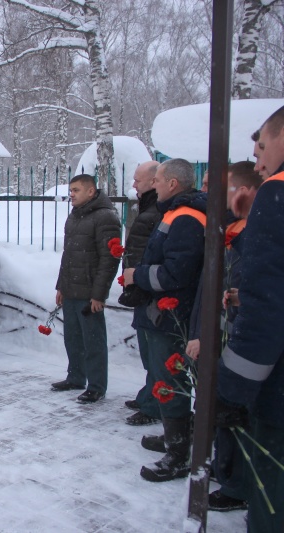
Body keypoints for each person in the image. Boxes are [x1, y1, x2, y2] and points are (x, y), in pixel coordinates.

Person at [216, 105, 284, 532]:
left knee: (271, 495)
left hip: (277, 389)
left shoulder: (276, 193)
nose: (258, 164)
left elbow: (267, 303)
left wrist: (233, 390)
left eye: (261, 148)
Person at [183, 161, 262, 513]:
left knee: (234, 412)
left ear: (241, 192)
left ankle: (237, 483)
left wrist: (210, 334)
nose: (206, 193)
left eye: (214, 186)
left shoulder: (251, 234)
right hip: (220, 334)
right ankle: (227, 467)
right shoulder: (227, 230)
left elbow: (246, 295)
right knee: (221, 408)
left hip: (236, 341)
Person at [123, 158, 207, 482]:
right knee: (165, 378)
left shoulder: (185, 217)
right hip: (162, 313)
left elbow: (176, 272)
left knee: (171, 381)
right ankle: (175, 438)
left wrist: (138, 275)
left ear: (173, 183)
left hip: (171, 316)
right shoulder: (174, 212)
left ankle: (178, 454)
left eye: (157, 180)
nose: (153, 185)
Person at [51, 174, 121, 403]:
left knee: (93, 341)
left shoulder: (105, 217)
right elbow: (68, 255)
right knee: (73, 338)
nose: (71, 194)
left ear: (91, 191)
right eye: (70, 190)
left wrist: (99, 294)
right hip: (71, 288)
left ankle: (97, 386)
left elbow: (109, 259)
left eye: (76, 190)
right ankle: (76, 377)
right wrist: (61, 286)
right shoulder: (75, 216)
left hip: (90, 292)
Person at [120, 161, 162, 426]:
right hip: (142, 286)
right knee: (149, 350)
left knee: (155, 353)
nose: (134, 184)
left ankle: (155, 404)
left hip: (149, 289)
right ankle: (149, 394)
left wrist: (137, 278)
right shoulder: (149, 208)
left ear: (154, 181)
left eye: (138, 180)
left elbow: (149, 252)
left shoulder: (157, 212)